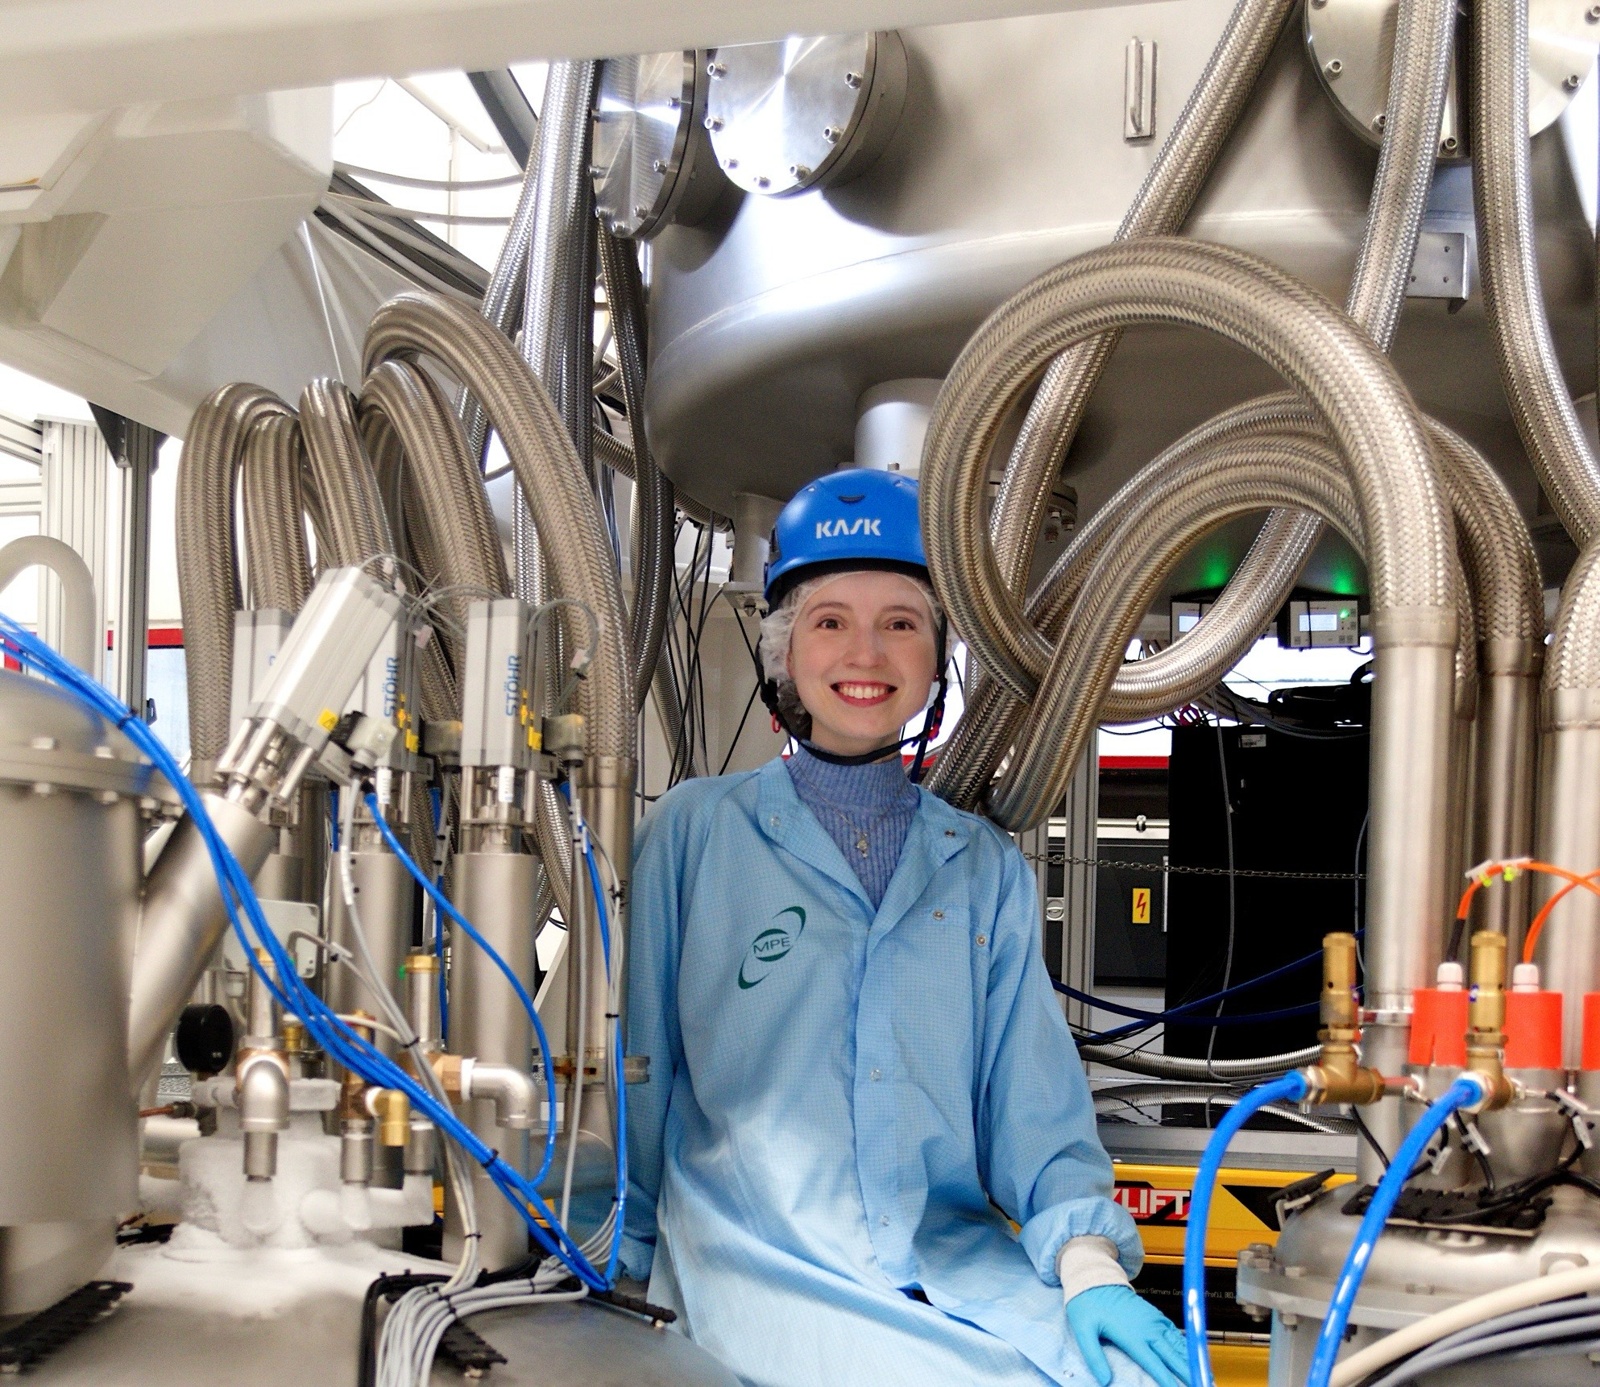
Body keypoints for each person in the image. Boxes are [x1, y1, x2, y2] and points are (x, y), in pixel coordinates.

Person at [623, 468, 1190, 1387]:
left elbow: (1032, 1103)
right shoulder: (694, 835)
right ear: (783, 650)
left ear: (936, 656)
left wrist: (1088, 1268)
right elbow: (636, 1077)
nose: (867, 651)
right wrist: (613, 1264)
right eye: (830, 620)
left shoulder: (983, 867)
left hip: (959, 1268)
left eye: (900, 622)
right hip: (764, 1268)